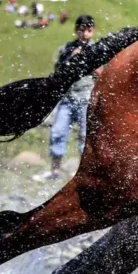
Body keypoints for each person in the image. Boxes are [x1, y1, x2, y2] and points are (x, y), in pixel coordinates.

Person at [41, 15, 97, 181]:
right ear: (76, 30)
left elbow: (103, 73)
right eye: (81, 30)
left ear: (93, 32)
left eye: (88, 30)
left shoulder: (97, 49)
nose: (85, 33)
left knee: (84, 135)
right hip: (68, 97)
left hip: (86, 96)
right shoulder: (66, 48)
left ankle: (80, 173)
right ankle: (55, 171)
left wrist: (87, 63)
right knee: (58, 131)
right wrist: (70, 60)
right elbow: (57, 72)